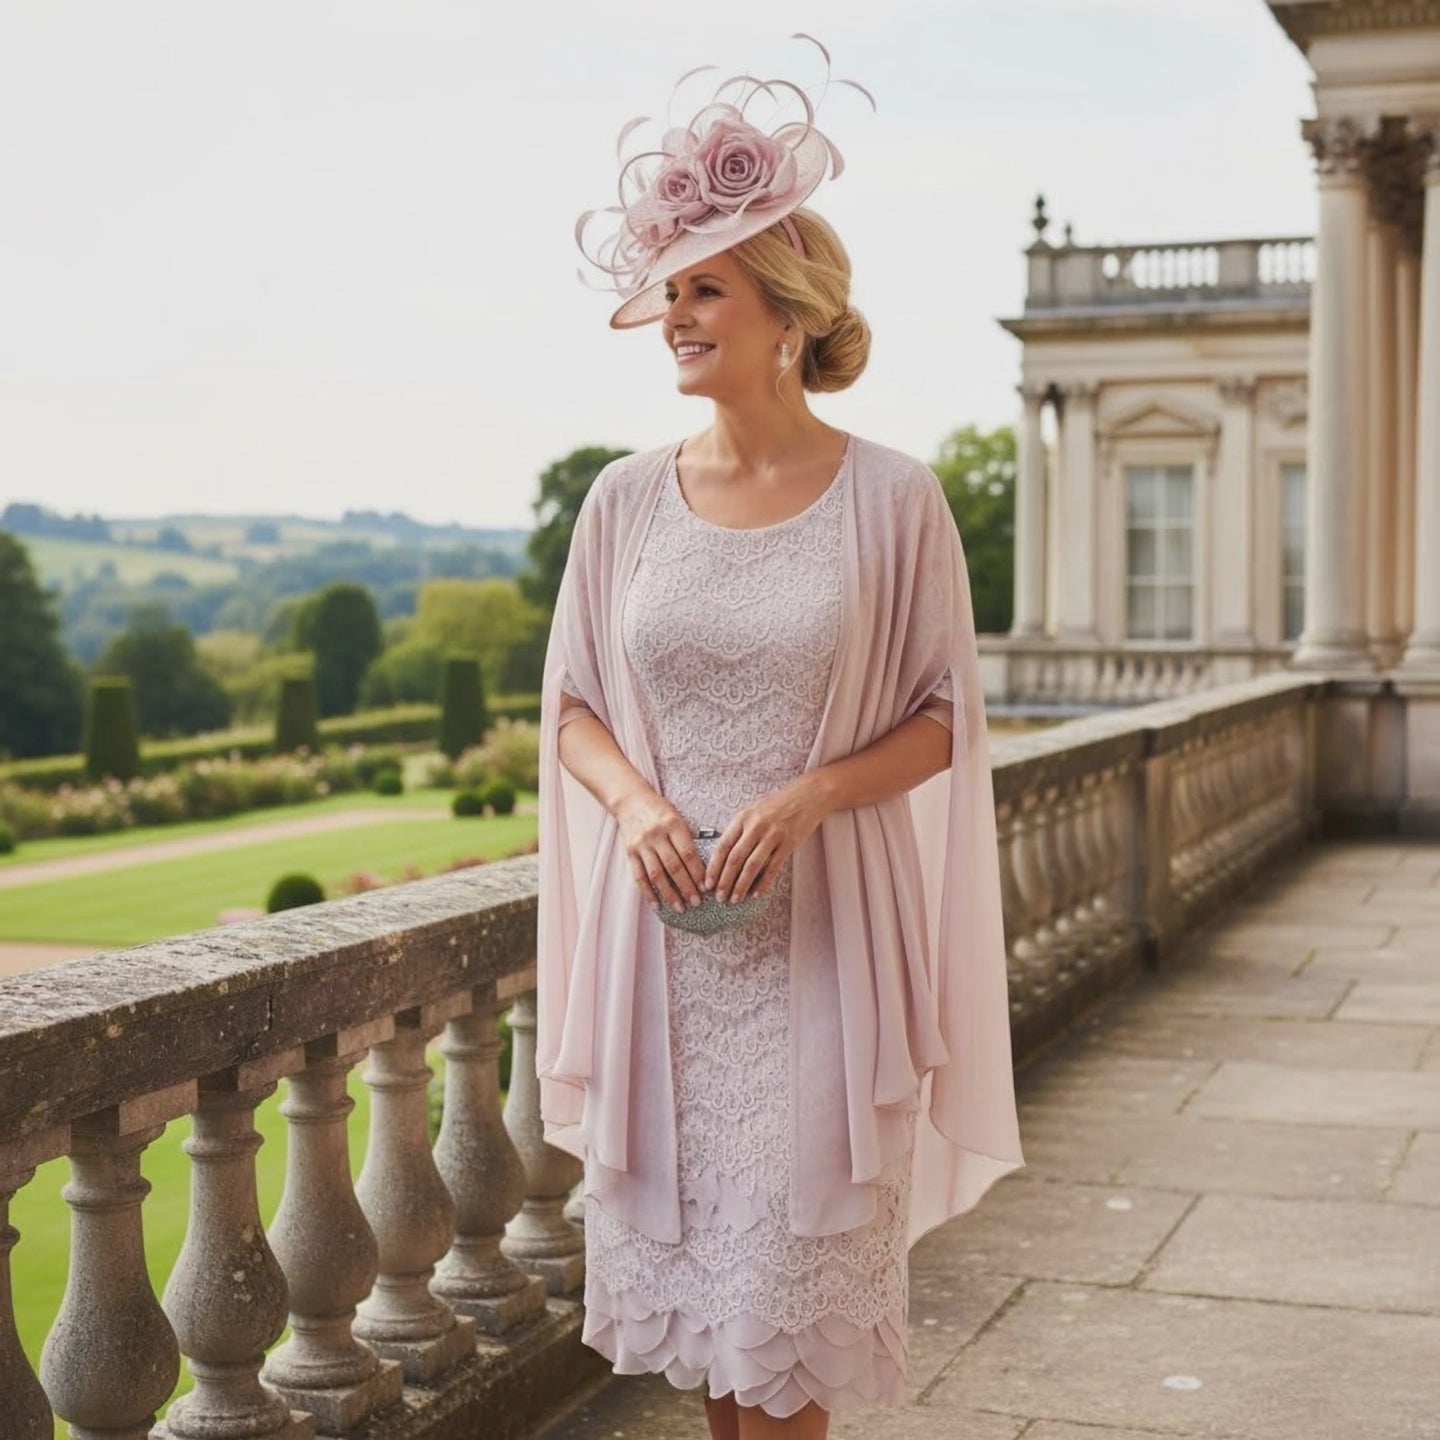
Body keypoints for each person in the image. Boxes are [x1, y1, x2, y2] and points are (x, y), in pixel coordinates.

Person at [536, 35, 1023, 1439]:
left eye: (707, 290)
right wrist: (632, 806)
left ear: (788, 315)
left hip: (822, 953)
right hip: (665, 960)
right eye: (673, 292)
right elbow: (570, 708)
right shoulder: (621, 502)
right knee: (714, 1352)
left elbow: (945, 719)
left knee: (791, 1338)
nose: (679, 316)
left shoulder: (894, 500)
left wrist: (811, 794)